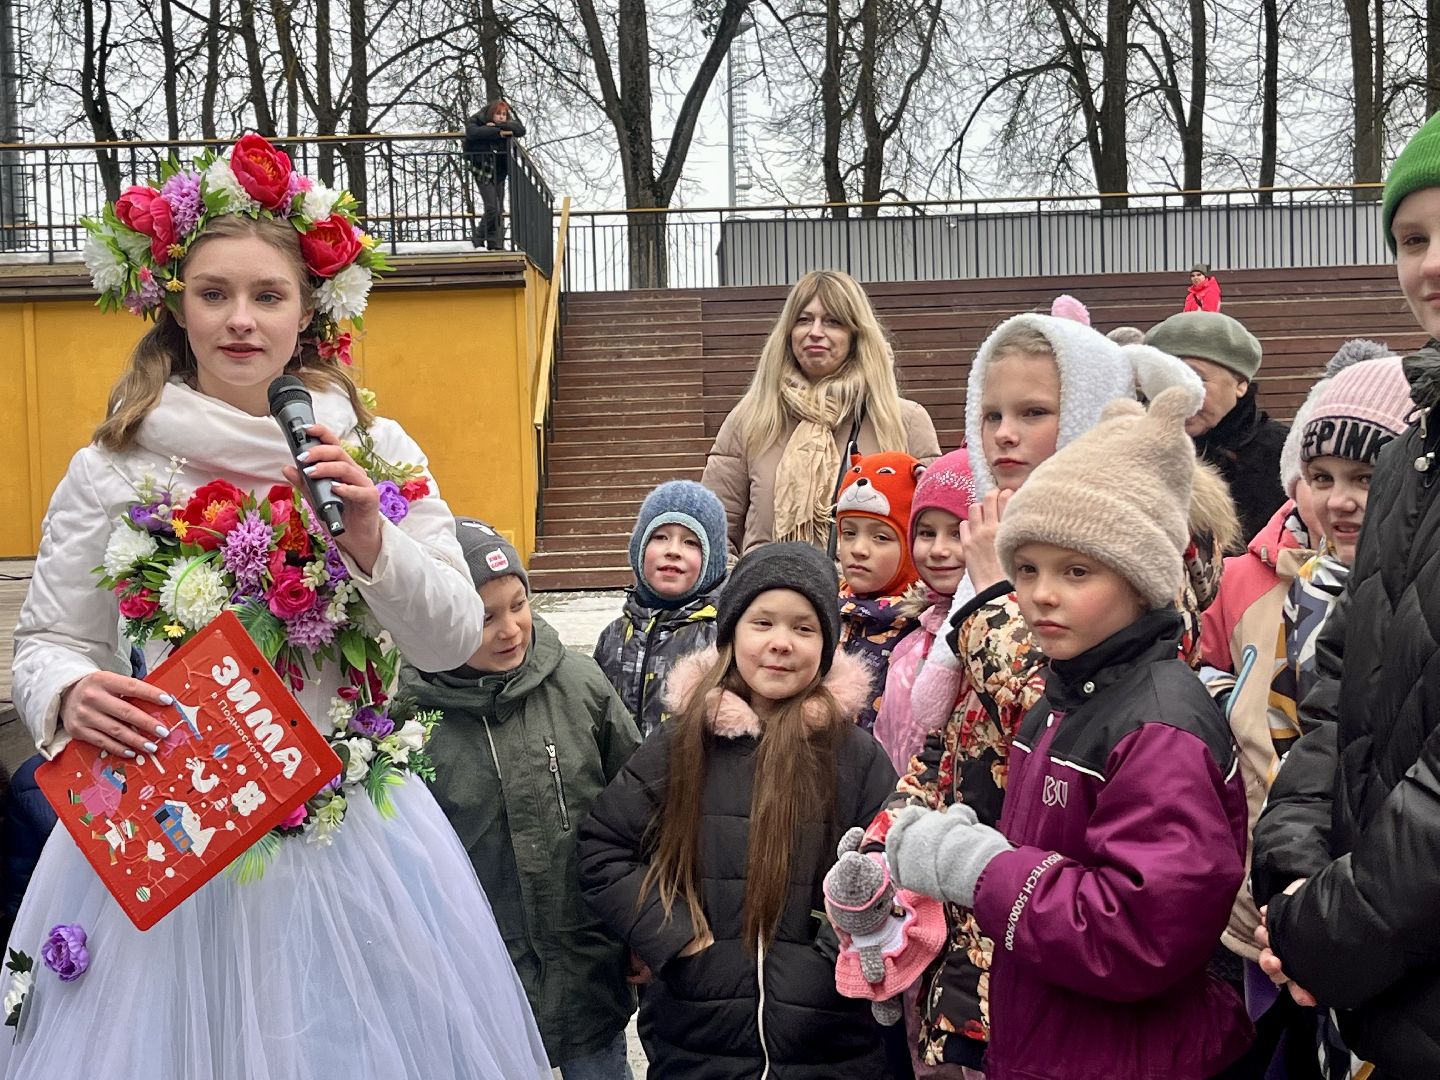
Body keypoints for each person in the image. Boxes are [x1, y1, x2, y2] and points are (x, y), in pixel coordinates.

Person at [3, 136, 550, 1078]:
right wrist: (62, 696)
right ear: (177, 305)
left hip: (346, 840)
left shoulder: (375, 451)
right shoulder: (112, 468)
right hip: (175, 841)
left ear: (309, 312)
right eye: (214, 294)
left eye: (268, 295)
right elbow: (50, 640)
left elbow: (455, 635)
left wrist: (374, 542)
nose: (240, 321)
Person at [859, 298, 1228, 1074]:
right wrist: (889, 839)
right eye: (990, 412)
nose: (1004, 433)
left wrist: (995, 595)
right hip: (987, 931)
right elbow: (962, 738)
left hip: (1056, 947)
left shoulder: (1141, 541)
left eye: (1034, 411)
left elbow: (1061, 705)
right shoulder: (998, 529)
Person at [1248, 111, 1440, 1080]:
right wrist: (1287, 866)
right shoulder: (1410, 461)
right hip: (1382, 1005)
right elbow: (1337, 693)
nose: (1432, 265)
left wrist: (1326, 930)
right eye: (1413, 239)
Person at [578, 542, 901, 1079]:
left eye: (804, 628)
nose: (780, 643)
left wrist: (834, 951)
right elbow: (603, 848)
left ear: (825, 646)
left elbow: (890, 860)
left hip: (829, 1045)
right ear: (730, 635)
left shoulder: (855, 756)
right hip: (697, 1039)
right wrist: (672, 935)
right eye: (763, 623)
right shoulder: (683, 744)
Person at [399, 520, 641, 1079]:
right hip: (479, 986)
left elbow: (638, 816)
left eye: (518, 604)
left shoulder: (579, 685)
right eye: (485, 617)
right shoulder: (407, 720)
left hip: (586, 972)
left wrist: (640, 932)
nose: (510, 629)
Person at [701, 270, 941, 558]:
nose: (815, 331)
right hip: (768, 594)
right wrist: (744, 588)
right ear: (788, 332)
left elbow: (932, 529)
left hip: (870, 600)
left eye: (832, 321)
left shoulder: (905, 421)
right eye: (803, 320)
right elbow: (711, 533)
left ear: (856, 335)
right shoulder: (750, 419)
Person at [594, 480, 728, 736]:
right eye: (660, 537)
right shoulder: (613, 636)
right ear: (639, 548)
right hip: (624, 774)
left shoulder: (721, 637)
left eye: (691, 542)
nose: (673, 551)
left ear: (713, 559)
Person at [1147, 310, 1289, 546]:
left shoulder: (1282, 456)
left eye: (1196, 377)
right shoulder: (1128, 449)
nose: (1180, 394)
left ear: (1240, 384)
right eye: (1165, 379)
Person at [871, 449, 974, 774]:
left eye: (958, 532)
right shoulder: (908, 641)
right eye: (927, 533)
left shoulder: (990, 643)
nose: (939, 550)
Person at [836, 451, 925, 731]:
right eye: (848, 533)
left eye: (881, 537)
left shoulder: (925, 629)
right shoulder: (823, 614)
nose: (858, 549)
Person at [463, 99, 527, 250]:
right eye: (498, 114)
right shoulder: (477, 119)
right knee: (493, 207)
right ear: (491, 113)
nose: (501, 117)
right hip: (482, 168)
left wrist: (498, 127)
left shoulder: (504, 125)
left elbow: (520, 130)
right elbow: (474, 132)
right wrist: (495, 131)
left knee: (499, 210)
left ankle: (492, 242)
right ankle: (478, 238)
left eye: (504, 114)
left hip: (499, 170)